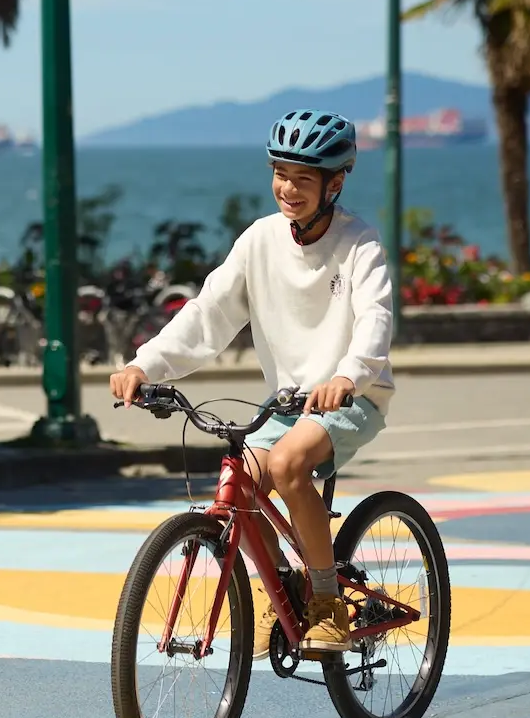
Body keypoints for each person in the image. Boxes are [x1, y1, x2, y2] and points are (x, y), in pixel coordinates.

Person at [109, 110, 395, 659]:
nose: (288, 188)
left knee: (288, 465)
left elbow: (375, 318)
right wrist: (145, 365)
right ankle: (284, 591)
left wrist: (347, 375)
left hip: (353, 395)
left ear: (335, 184)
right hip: (285, 405)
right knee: (241, 485)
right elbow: (208, 315)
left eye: (304, 178)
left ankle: (327, 601)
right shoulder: (260, 240)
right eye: (280, 173)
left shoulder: (359, 242)